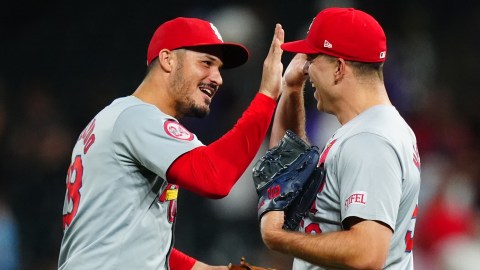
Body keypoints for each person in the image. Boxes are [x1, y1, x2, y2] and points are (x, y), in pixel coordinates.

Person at [58, 17, 285, 270]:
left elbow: (133, 243)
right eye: (206, 63)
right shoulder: (139, 118)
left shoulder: (116, 118)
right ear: (168, 60)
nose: (218, 78)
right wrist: (267, 95)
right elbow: (214, 177)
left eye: (219, 68)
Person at [259, 7, 421, 269]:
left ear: (339, 68)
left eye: (312, 58)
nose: (306, 68)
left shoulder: (370, 140)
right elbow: (289, 167)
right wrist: (291, 89)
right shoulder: (371, 128)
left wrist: (279, 238)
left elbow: (367, 253)